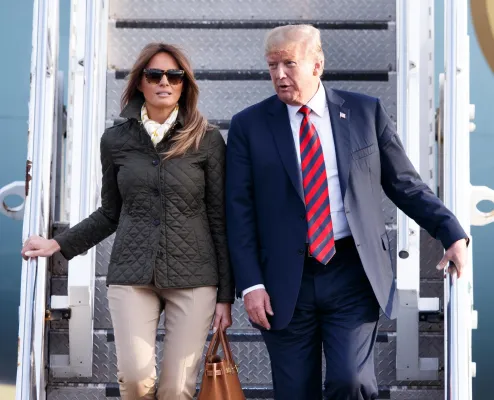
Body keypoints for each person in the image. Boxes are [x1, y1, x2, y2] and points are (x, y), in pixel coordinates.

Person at [225, 24, 468, 400]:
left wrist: (450, 231)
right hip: (284, 280)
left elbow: (404, 183)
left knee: (352, 381)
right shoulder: (249, 125)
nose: (279, 75)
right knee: (294, 392)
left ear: (317, 64)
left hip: (353, 272)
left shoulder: (364, 113)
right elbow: (238, 211)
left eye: (289, 64)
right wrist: (251, 285)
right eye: (272, 65)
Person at [21, 43, 234, 400]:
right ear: (140, 82)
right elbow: (111, 212)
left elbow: (218, 218)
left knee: (176, 389)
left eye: (174, 76)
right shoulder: (115, 140)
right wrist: (58, 243)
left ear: (185, 84)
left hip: (195, 277)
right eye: (155, 74)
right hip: (132, 274)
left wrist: (226, 295)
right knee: (135, 380)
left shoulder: (207, 140)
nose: (164, 82)